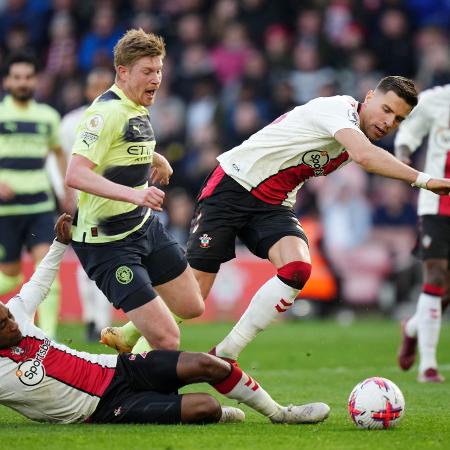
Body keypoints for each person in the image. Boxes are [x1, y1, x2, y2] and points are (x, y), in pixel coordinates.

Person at [103, 76, 450, 363]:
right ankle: (134, 349)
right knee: (193, 299)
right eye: (386, 109)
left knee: (298, 270)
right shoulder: (338, 110)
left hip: (273, 204)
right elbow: (365, 156)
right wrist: (424, 179)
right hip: (233, 186)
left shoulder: (356, 133)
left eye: (399, 119)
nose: (389, 121)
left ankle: (226, 353)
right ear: (369, 97)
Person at [0, 213, 330, 425]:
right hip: (102, 410)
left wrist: (60, 241)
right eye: (3, 325)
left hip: (117, 368)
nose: (12, 322)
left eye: (7, 316)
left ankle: (279, 414)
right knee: (208, 409)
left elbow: (39, 282)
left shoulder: (16, 312)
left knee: (208, 364)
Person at [65, 29, 204, 352]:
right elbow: (76, 174)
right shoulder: (105, 113)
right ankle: (147, 400)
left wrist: (157, 159)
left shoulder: (136, 104)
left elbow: (124, 145)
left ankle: (126, 337)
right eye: (147, 72)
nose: (156, 79)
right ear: (123, 72)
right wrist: (135, 194)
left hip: (141, 226)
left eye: (158, 70)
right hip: (107, 243)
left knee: (192, 305)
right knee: (167, 338)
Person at [0, 51, 72, 339]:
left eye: (28, 77)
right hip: (5, 210)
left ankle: (48, 338)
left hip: (40, 206)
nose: (22, 82)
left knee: (48, 271)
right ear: (7, 80)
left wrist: (66, 191)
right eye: (17, 77)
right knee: (11, 275)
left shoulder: (48, 117)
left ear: (36, 80)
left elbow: (58, 153)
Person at [48, 68, 116, 342]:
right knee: (87, 259)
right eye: (95, 86)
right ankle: (93, 319)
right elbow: (57, 161)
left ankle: (102, 321)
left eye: (105, 86)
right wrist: (64, 194)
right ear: (87, 91)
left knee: (108, 258)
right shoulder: (70, 123)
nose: (100, 91)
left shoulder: (119, 119)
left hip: (112, 200)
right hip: (80, 201)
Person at [395, 83, 450, 383]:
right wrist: (403, 155)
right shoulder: (437, 100)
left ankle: (413, 327)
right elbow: (408, 133)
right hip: (437, 203)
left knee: (445, 291)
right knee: (437, 275)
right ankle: (428, 366)